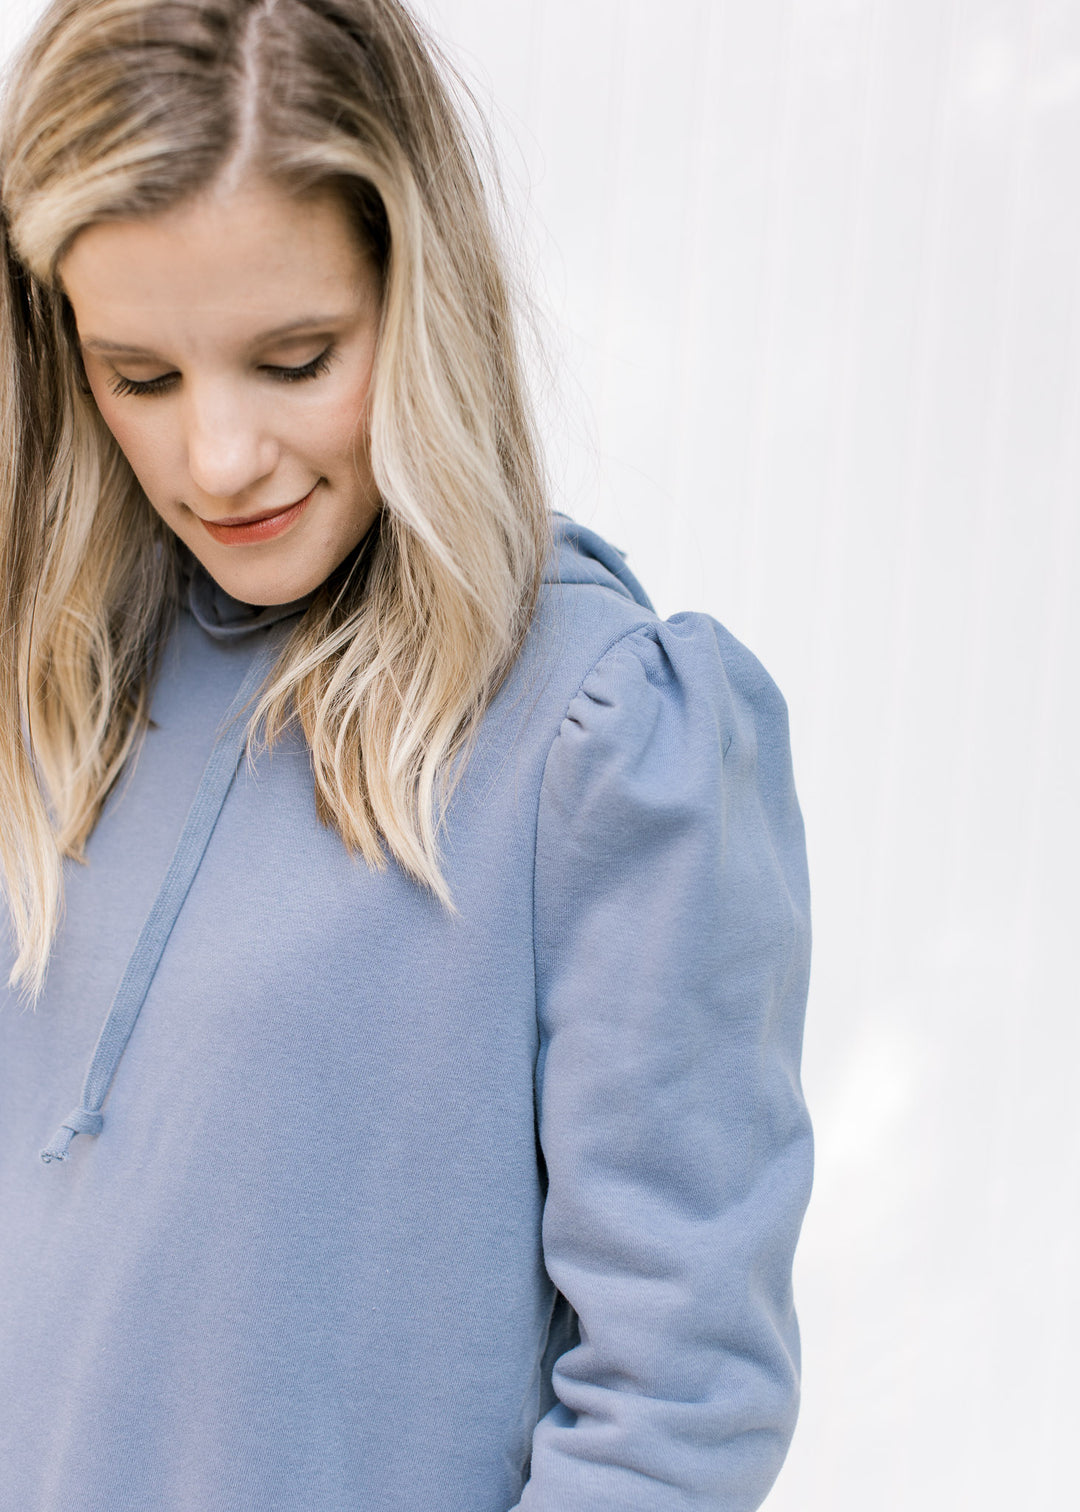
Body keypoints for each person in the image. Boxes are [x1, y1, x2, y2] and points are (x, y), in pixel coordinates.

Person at [0, 2, 813, 1509]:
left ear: (418, 293)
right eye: (142, 376)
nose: (218, 459)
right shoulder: (60, 673)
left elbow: (679, 1401)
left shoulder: (604, 732)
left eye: (294, 359)